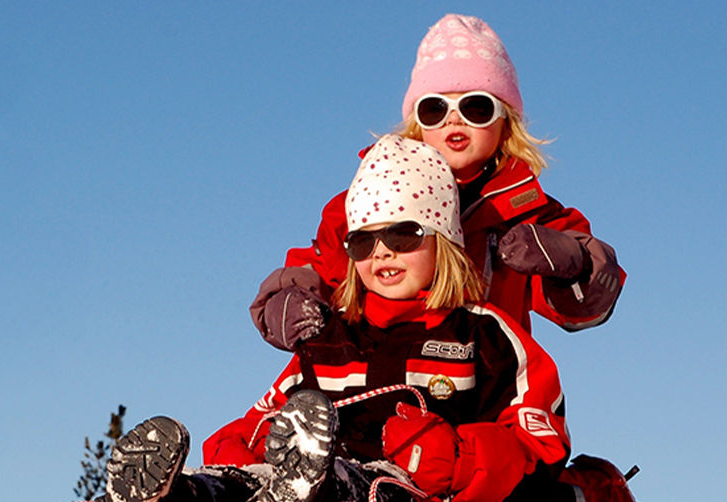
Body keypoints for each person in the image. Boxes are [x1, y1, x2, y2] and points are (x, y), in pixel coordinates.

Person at [81, 136, 666, 502]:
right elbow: (260, 419)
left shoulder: (484, 335)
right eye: (364, 240)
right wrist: (240, 450)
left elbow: (539, 448)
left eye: (404, 234)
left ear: (444, 242)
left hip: (415, 494)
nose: (382, 251)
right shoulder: (332, 338)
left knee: (359, 493)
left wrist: (455, 457)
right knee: (243, 488)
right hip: (305, 478)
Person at [252, 13, 625, 354]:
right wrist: (288, 300)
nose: (453, 120)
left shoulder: (529, 212)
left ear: (505, 120)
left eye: (476, 107)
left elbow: (586, 306)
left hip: (487, 381)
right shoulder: (373, 199)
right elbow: (324, 266)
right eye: (435, 108)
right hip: (385, 372)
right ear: (418, 121)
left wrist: (572, 264)